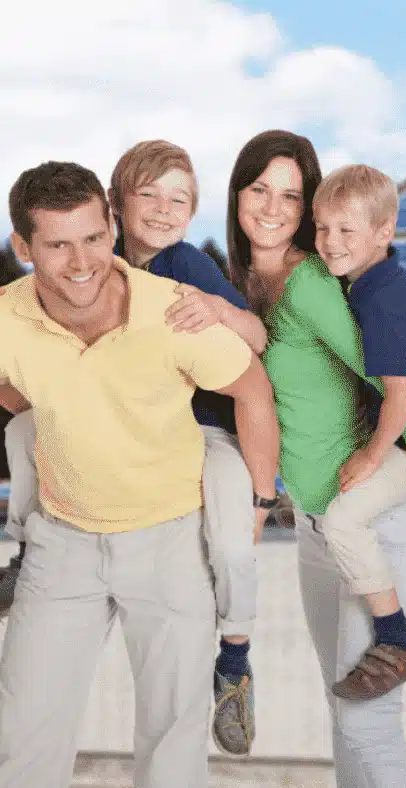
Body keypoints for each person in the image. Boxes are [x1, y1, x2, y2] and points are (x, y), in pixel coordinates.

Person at [0, 161, 279, 788]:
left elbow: (251, 387)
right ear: (23, 248)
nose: (82, 261)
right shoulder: (5, 317)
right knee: (20, 740)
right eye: (58, 243)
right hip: (61, 546)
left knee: (173, 747)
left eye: (94, 237)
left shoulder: (173, 309)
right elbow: (11, 396)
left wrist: (260, 499)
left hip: (169, 543)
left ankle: (235, 660)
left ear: (111, 227)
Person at [225, 129, 406, 786]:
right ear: (237, 193)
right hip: (318, 527)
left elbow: (405, 385)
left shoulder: (312, 286)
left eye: (291, 196)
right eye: (259, 189)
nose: (272, 207)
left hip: (377, 520)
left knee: (367, 722)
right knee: (342, 708)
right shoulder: (247, 283)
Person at [311, 163, 406, 700]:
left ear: (384, 233)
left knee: (343, 521)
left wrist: (372, 457)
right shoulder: (366, 286)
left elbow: (404, 395)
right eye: (323, 229)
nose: (331, 243)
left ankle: (397, 639)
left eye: (346, 231)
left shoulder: (385, 302)